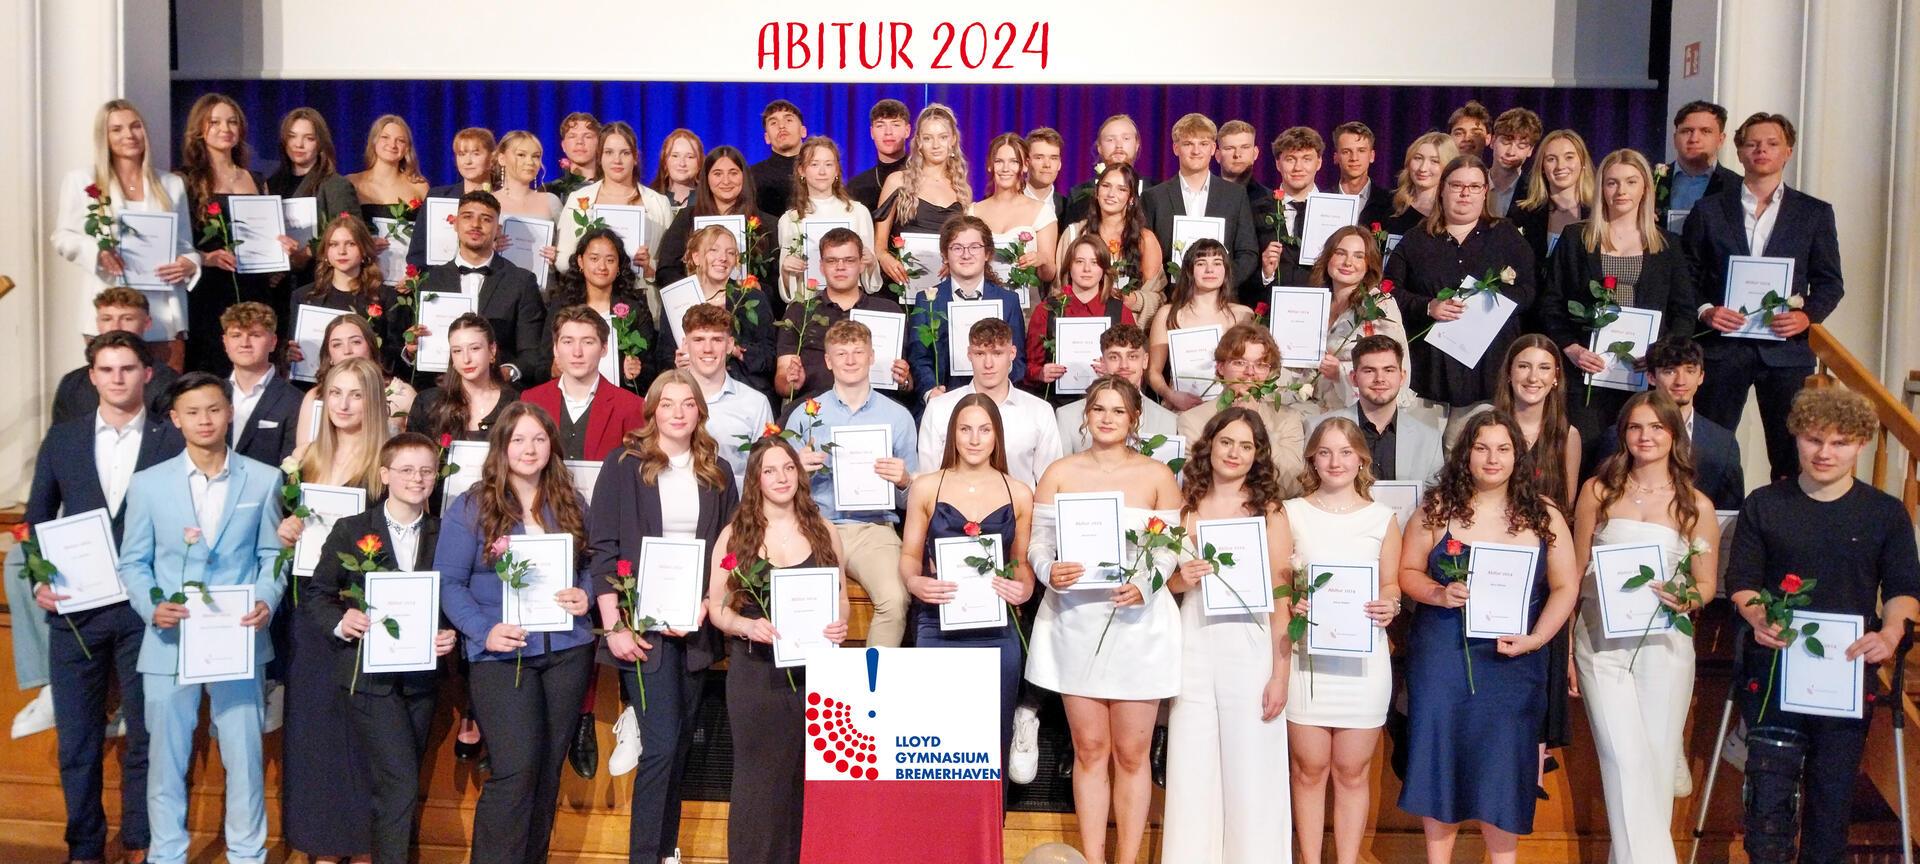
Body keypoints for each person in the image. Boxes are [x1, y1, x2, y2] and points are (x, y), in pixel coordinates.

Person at [1727, 386, 1918, 864]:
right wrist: (1756, 614)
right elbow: (1743, 581)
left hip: (1847, 675)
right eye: (1814, 440)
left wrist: (1891, 634)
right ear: (1796, 439)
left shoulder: (1885, 514)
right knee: (1767, 808)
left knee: (1831, 805)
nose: (1825, 452)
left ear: (1861, 445)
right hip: (1773, 668)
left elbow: (1902, 590)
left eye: (1839, 442)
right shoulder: (1765, 504)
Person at [23, 331, 182, 864]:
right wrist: (40, 579)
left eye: (127, 368)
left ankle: (138, 840)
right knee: (77, 742)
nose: (117, 378)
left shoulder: (170, 439)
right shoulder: (63, 439)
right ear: (91, 377)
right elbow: (38, 519)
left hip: (145, 614)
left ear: (146, 374)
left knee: (146, 736)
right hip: (76, 612)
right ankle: (85, 846)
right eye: (107, 369)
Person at [1396, 409, 1577, 864]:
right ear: (1465, 454)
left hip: (1514, 662)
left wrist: (1537, 639)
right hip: (1443, 657)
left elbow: (1566, 586)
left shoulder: (1544, 513)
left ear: (1518, 454)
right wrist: (1438, 593)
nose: (1492, 458)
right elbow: (1407, 571)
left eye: (1502, 448)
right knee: (1441, 761)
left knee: (1504, 768)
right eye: (1481, 448)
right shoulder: (1437, 508)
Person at [119, 371, 286, 864]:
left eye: (214, 409)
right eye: (192, 412)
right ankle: (167, 854)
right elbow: (133, 562)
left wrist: (265, 600)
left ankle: (246, 854)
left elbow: (272, 555)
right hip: (171, 639)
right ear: (175, 420)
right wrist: (152, 605)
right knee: (165, 762)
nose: (205, 420)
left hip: (238, 638)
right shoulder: (147, 484)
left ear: (230, 411)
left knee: (245, 757)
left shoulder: (264, 477)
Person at [1025, 376, 1183, 864]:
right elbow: (1038, 544)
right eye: (1099, 409)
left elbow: (1172, 550)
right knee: (1090, 750)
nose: (1108, 417)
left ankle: (1127, 859)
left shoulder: (1158, 475)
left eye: (1118, 410)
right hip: (1076, 622)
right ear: (1086, 415)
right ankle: (1094, 859)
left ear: (1135, 419)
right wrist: (1047, 569)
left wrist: (1148, 583)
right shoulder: (1059, 472)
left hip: (1138, 625)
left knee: (1132, 756)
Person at [587, 369, 738, 864]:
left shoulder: (717, 472)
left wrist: (708, 602)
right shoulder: (624, 464)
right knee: (662, 746)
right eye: (667, 403)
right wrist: (613, 624)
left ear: (700, 411)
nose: (677, 412)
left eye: (687, 403)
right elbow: (603, 548)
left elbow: (731, 549)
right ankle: (646, 856)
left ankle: (664, 852)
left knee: (679, 748)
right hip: (640, 628)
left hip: (694, 628)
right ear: (651, 412)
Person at [436, 402, 595, 864]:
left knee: (547, 774)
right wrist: (483, 632)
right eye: (519, 439)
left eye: (539, 439)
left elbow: (589, 566)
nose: (529, 449)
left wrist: (584, 593)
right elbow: (448, 582)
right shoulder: (471, 505)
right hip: (502, 656)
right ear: (502, 447)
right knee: (516, 770)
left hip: (567, 651)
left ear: (552, 445)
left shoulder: (570, 501)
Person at [1570, 390, 1720, 864]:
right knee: (1622, 759)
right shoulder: (1598, 491)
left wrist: (1688, 597)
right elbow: (1572, 576)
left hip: (1667, 645)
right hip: (1599, 642)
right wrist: (1565, 651)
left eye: (1656, 427)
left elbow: (1706, 584)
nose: (1645, 436)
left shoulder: (1697, 504)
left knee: (1654, 764)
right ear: (1623, 433)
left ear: (1673, 433)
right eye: (1636, 427)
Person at [303, 433, 458, 864]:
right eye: (407, 470)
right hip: (368, 679)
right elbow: (317, 594)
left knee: (395, 784)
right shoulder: (353, 529)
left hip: (422, 680)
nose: (417, 478)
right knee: (400, 779)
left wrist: (450, 634)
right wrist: (341, 620)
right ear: (385, 474)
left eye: (426, 470)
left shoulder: (443, 532)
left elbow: (451, 598)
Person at [1160, 407, 1296, 863]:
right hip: (1195, 640)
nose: (1234, 453)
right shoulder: (1184, 505)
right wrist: (1185, 578)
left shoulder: (1269, 511)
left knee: (1252, 769)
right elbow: (1168, 584)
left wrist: (1280, 673)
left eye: (1246, 446)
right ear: (1210, 445)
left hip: (1252, 646)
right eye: (1226, 442)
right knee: (1192, 765)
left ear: (1257, 455)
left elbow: (1282, 594)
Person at [706, 436, 850, 864]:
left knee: (801, 779)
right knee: (757, 781)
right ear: (755, 480)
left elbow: (840, 594)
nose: (781, 477)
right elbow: (716, 607)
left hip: (813, 676)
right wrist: (746, 625)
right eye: (769, 470)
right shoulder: (736, 535)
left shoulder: (823, 530)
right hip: (755, 673)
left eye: (788, 468)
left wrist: (839, 623)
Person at [1682, 112, 1844, 482]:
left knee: (1790, 450)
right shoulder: (1708, 210)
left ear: (1787, 152)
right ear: (1738, 151)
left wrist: (1807, 317)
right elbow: (1687, 275)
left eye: (1771, 143)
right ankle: (1703, 524)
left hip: (1785, 351)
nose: (1761, 150)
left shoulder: (1813, 213)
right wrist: (1706, 311)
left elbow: (1830, 282)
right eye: (1752, 143)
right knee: (1708, 449)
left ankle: (1785, 529)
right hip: (1723, 348)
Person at [274, 356, 391, 862]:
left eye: (355, 395)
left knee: (357, 736)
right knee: (313, 733)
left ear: (373, 401)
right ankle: (319, 844)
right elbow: (283, 536)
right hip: (308, 613)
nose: (343, 405)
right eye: (335, 394)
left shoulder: (385, 461)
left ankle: (360, 846)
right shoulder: (305, 458)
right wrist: (285, 532)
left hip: (358, 612)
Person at [1280, 417, 1404, 864]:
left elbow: (1391, 584)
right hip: (1305, 661)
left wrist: (1390, 605)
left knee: (1352, 772)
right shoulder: (1289, 512)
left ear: (1362, 459)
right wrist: (1293, 602)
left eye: (1346, 452)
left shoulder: (1382, 518)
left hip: (1363, 663)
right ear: (1312, 457)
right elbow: (1279, 584)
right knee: (1309, 770)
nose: (1336, 461)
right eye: (1326, 452)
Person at [1541, 148, 1696, 470]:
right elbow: (1550, 303)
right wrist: (1571, 348)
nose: (1621, 191)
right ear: (1601, 189)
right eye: (1612, 183)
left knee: (1637, 460)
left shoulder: (1668, 246)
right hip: (1587, 376)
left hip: (1645, 378)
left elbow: (1683, 313)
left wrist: (1659, 356)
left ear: (1645, 189)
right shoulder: (1575, 238)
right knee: (1584, 459)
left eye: (1630, 182)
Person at [900, 392, 1034, 753]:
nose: (974, 439)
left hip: (997, 629)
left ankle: (991, 812)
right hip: (936, 623)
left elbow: (1021, 562)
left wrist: (1024, 588)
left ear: (997, 436)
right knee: (940, 740)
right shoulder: (927, 486)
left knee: (993, 738)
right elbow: (910, 555)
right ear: (952, 435)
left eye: (984, 430)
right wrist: (915, 582)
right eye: (965, 429)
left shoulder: (1019, 492)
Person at [787, 319, 917, 651]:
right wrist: (797, 471)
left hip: (873, 528)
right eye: (841, 353)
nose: (850, 360)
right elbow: (778, 489)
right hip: (815, 526)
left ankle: (868, 685)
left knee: (894, 599)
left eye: (858, 352)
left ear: (872, 356)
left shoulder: (898, 416)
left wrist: (904, 480)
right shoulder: (804, 414)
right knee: (800, 602)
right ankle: (811, 689)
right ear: (828, 361)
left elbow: (911, 502)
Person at [53, 99, 201, 369]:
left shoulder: (171, 183)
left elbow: (184, 245)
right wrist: (97, 252)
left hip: (163, 313)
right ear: (104, 137)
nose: (129, 135)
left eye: (135, 127)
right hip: (109, 308)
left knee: (164, 397)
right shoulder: (82, 181)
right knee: (115, 392)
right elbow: (63, 236)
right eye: (117, 129)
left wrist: (189, 263)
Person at [1387, 155, 1536, 408]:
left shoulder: (1505, 235)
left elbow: (1529, 291)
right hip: (1429, 377)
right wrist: (1428, 306)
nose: (1465, 193)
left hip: (1487, 376)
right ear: (1442, 190)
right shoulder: (1416, 239)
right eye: (1456, 186)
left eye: (1474, 186)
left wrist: (1486, 304)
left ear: (1485, 192)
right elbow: (1388, 292)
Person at [179, 93, 293, 373]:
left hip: (255, 288)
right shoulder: (185, 179)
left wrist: (280, 252)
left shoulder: (255, 179)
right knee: (212, 368)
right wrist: (205, 258)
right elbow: (177, 244)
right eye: (214, 122)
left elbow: (268, 234)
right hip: (209, 291)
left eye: (232, 122)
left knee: (255, 364)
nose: (225, 129)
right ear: (199, 129)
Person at [402, 191, 547, 385]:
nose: (475, 225)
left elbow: (531, 354)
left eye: (486, 219)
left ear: (498, 230)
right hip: (441, 393)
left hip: (499, 395)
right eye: (467, 217)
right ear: (455, 224)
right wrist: (412, 351)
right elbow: (416, 354)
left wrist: (503, 375)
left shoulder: (521, 281)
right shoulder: (429, 280)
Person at [1595, 336, 1744, 510]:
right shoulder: (1618, 435)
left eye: (1690, 370)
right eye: (1670, 371)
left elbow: (1730, 513)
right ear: (1651, 377)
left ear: (1701, 376)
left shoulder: (1723, 443)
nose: (1681, 381)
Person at [773, 228, 912, 406]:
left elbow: (907, 382)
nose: (840, 267)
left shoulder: (889, 311)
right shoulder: (799, 311)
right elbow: (782, 381)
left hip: (876, 409)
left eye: (849, 260)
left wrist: (904, 380)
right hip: (814, 409)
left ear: (862, 264)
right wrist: (791, 382)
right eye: (832, 261)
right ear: (821, 266)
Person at [919, 318, 1063, 488]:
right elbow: (928, 482)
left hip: (1020, 512)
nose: (988, 364)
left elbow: (1051, 483)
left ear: (1012, 353)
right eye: (980, 354)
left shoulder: (1040, 411)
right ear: (969, 354)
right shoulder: (939, 409)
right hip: (953, 512)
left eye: (997, 353)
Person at [554, 121, 674, 315]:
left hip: (645, 307)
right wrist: (592, 264)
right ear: (600, 157)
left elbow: (671, 264)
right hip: (590, 306)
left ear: (635, 158)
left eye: (625, 153)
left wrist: (649, 266)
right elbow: (562, 261)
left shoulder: (658, 203)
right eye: (609, 152)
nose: (617, 160)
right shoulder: (580, 200)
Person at [1175, 324, 1307, 497]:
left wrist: (1258, 423)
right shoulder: (1192, 420)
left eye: (1260, 364)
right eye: (1240, 362)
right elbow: (1193, 481)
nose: (1250, 372)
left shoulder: (1288, 419)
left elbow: (1291, 483)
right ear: (1220, 367)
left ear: (1269, 372)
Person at [1307, 335, 1447, 492]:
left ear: (1402, 377)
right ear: (1354, 378)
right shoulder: (1317, 429)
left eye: (1388, 370)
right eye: (1369, 371)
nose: (1379, 379)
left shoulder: (1429, 439)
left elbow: (1435, 501)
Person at [907, 214, 1028, 395]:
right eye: (957, 248)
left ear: (987, 253)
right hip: (944, 397)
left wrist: (996, 382)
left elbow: (1017, 361)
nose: (966, 255)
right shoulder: (926, 300)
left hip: (994, 400)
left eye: (974, 247)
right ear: (945, 255)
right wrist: (931, 392)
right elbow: (919, 358)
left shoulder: (1008, 301)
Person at [1140, 114, 1259, 294]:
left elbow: (1248, 253)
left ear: (1213, 149)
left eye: (1203, 144)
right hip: (1169, 299)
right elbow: (1145, 254)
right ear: (1176, 148)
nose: (1196, 151)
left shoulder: (1235, 195)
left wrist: (1221, 283)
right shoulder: (1154, 197)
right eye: (1188, 144)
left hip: (1220, 302)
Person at [521, 305, 648, 462]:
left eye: (588, 342)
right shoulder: (532, 401)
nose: (577, 352)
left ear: (604, 348)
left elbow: (638, 472)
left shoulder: (631, 407)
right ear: (555, 348)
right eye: (568, 342)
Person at [1302, 225, 1408, 412]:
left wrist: (1339, 373)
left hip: (1358, 412)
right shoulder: (1313, 302)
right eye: (1340, 253)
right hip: (1309, 405)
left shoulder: (1380, 305)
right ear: (1328, 258)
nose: (1348, 262)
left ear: (1369, 265)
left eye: (1359, 256)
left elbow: (1392, 366)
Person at [659, 224, 776, 393]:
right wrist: (676, 364)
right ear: (696, 257)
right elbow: (663, 358)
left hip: (742, 390)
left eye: (730, 252)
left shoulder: (751, 298)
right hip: (690, 391)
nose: (723, 258)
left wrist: (736, 350)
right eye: (714, 250)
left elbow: (769, 358)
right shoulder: (676, 299)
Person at [1028, 233, 1137, 403]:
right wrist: (1041, 373)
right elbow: (1029, 366)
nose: (1087, 269)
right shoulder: (1046, 310)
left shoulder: (1120, 311)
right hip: (1056, 403)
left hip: (1109, 401)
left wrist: (1114, 371)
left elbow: (1134, 364)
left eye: (1094, 263)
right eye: (1080, 262)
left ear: (1104, 269)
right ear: (1069, 267)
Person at [1146, 239, 1254, 411]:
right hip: (1181, 409)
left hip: (1229, 409)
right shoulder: (1168, 315)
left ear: (1226, 271)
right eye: (1201, 263)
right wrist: (1171, 395)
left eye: (1217, 263)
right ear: (1189, 270)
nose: (1210, 270)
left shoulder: (1243, 315)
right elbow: (1153, 372)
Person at [546, 227, 656, 393]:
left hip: (618, 399)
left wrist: (634, 372)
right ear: (581, 261)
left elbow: (652, 366)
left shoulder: (635, 307)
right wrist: (553, 370)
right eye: (594, 259)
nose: (602, 266)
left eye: (610, 260)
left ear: (619, 265)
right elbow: (541, 362)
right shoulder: (562, 305)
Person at [677, 303, 775, 488]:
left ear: (730, 344)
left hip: (736, 513)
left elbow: (766, 470)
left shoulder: (755, 403)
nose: (708, 349)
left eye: (716, 339)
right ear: (685, 344)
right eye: (698, 339)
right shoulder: (662, 399)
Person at [875, 104, 970, 291]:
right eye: (928, 138)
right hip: (904, 283)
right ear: (918, 142)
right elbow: (879, 244)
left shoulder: (961, 189)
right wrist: (886, 259)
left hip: (948, 286)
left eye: (943, 137)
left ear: (953, 140)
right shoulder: (897, 181)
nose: (936, 145)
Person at [50, 288, 181, 424]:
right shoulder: (73, 383)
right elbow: (61, 439)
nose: (116, 327)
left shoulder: (168, 383)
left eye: (127, 319)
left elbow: (171, 440)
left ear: (147, 323)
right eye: (107, 319)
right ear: (98, 323)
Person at [655, 145, 778, 289]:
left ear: (744, 177)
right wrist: (694, 292)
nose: (726, 181)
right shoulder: (686, 219)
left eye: (733, 173)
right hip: (696, 307)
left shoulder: (768, 225)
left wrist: (759, 289)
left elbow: (776, 281)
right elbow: (666, 271)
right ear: (706, 178)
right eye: (717, 174)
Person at [775, 136, 878, 302]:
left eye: (828, 164)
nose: (822, 172)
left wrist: (870, 261)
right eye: (814, 164)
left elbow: (870, 283)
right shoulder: (790, 220)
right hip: (808, 308)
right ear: (801, 170)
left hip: (850, 305)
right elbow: (789, 293)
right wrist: (787, 271)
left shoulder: (858, 213)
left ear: (837, 170)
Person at [287, 214, 399, 365]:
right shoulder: (303, 297)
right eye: (333, 244)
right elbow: (292, 347)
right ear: (325, 252)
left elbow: (394, 353)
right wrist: (289, 354)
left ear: (364, 249)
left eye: (350, 244)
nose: (342, 251)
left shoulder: (387, 297)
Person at [1059, 162, 1165, 319]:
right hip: (1080, 324)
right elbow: (1059, 289)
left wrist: (1134, 300)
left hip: (1126, 330)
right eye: (1106, 186)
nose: (1111, 194)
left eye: (1121, 189)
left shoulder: (1145, 240)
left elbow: (1157, 298)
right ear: (1096, 191)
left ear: (1131, 198)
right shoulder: (1074, 233)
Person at [291, 314, 417, 442]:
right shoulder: (315, 397)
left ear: (371, 347)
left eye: (356, 342)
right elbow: (303, 452)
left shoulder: (402, 394)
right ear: (329, 357)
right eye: (337, 344)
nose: (347, 351)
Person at [1056, 323, 1176, 453]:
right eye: (1114, 357)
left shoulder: (1168, 420)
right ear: (1102, 362)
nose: (1124, 365)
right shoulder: (1067, 416)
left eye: (1132, 356)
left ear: (1145, 361)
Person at [265, 108, 362, 265]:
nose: (299, 144)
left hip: (319, 277)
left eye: (309, 138)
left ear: (320, 144)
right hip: (280, 282)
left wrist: (308, 252)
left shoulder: (336, 185)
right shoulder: (271, 185)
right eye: (292, 137)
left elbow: (352, 234)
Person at [405, 313, 520, 443]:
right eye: (457, 351)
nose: (466, 359)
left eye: (475, 348)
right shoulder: (427, 404)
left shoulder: (514, 403)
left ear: (492, 350)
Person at [970, 132, 1060, 293]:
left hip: (1024, 308)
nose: (1005, 168)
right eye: (999, 161)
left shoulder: (1042, 212)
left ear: (1025, 165)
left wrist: (1042, 259)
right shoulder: (973, 212)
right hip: (982, 303)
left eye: (1013, 162)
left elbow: (1049, 274)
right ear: (990, 165)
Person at [220, 302, 301, 469]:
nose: (245, 343)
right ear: (225, 342)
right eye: (236, 335)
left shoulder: (296, 401)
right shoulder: (211, 394)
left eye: (255, 335)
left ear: (273, 342)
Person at [1508, 130, 1594, 283]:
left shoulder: (1599, 214)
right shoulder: (1521, 215)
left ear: (1583, 163)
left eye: (1569, 157)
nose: (1560, 166)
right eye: (1551, 159)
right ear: (1542, 166)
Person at [405, 127, 495, 272]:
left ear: (492, 158)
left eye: (476, 154)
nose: (468, 161)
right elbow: (418, 252)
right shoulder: (438, 196)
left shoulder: (503, 198)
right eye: (462, 154)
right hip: (441, 281)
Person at [1253, 126, 1327, 298]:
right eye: (1290, 159)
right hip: (1269, 310)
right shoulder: (1256, 210)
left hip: (1324, 309)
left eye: (1307, 159)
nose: (1298, 168)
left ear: (1319, 163)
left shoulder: (1336, 210)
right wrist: (1264, 272)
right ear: (1278, 164)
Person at [344, 114, 430, 248]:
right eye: (385, 137)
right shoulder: (352, 183)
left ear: (407, 148)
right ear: (374, 141)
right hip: (366, 266)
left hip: (406, 266)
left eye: (400, 140)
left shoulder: (420, 187)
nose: (392, 145)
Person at [1657, 101, 1741, 232]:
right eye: (1686, 131)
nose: (1694, 139)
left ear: (1721, 139)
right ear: (1675, 138)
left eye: (1705, 131)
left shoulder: (1737, 186)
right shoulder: (1649, 181)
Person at [492, 130, 563, 273]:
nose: (530, 162)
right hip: (499, 288)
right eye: (521, 155)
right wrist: (490, 248)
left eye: (536, 156)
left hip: (542, 291)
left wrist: (558, 256)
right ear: (502, 159)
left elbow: (567, 251)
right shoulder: (489, 202)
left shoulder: (551, 201)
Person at [1063, 114, 1148, 225]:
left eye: (1126, 138)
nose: (1119, 145)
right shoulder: (1078, 195)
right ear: (1099, 147)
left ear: (1137, 145)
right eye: (1110, 139)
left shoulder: (1155, 192)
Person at [1379, 132, 1458, 239]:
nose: (1423, 168)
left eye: (1434, 161)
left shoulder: (1452, 213)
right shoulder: (1389, 204)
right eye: (1418, 158)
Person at [848, 99, 912, 213]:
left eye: (895, 125)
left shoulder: (923, 178)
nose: (888, 132)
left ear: (907, 130)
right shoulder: (857, 187)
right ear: (872, 132)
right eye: (880, 125)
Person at [751, 99, 808, 218]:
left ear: (803, 131)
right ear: (766, 138)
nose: (781, 126)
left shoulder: (820, 170)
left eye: (788, 120)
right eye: (773, 123)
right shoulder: (752, 175)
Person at [1330, 121, 1394, 228]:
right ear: (1336, 157)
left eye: (1361, 151)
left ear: (1372, 156)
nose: (1354, 158)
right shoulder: (1322, 201)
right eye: (1346, 151)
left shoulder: (1390, 203)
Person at [1486, 108, 1543, 217]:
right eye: (1506, 141)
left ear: (1530, 150)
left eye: (1521, 145)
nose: (1511, 152)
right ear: (1493, 141)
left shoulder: (1535, 194)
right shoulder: (1474, 184)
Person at [544, 112, 601, 202]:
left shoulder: (612, 189)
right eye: (572, 136)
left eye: (587, 136)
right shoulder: (548, 191)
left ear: (599, 144)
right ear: (563, 146)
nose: (579, 142)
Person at [649, 127, 704, 213]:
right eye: (675, 156)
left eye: (690, 157)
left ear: (700, 163)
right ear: (664, 161)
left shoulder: (709, 200)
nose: (682, 163)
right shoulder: (649, 199)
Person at [1024, 126, 1069, 218]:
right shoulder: (1006, 200)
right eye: (1039, 157)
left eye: (1053, 158)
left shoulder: (1067, 207)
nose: (1047, 164)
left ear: (1059, 164)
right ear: (1026, 163)